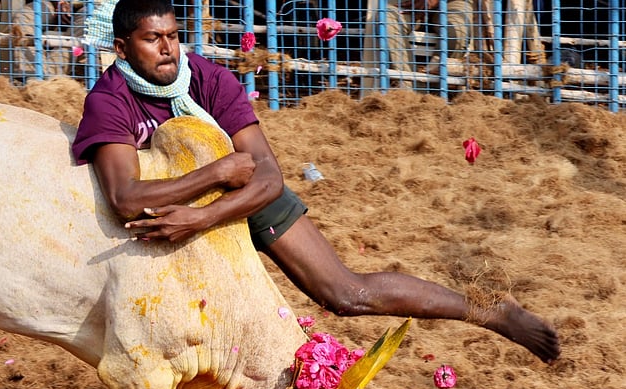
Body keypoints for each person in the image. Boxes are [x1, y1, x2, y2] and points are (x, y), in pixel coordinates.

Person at [73, 0, 560, 364]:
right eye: (152, 39)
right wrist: (217, 172)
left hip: (229, 204)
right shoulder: (110, 99)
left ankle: (489, 311)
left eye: (174, 36)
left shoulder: (210, 79)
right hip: (179, 210)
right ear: (121, 48)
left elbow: (266, 177)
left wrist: (206, 212)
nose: (167, 49)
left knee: (345, 293)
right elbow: (125, 198)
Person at [361, 0, 473, 93]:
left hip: (453, 3)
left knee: (458, 31)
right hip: (407, 3)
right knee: (385, 19)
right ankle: (412, 92)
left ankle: (435, 93)